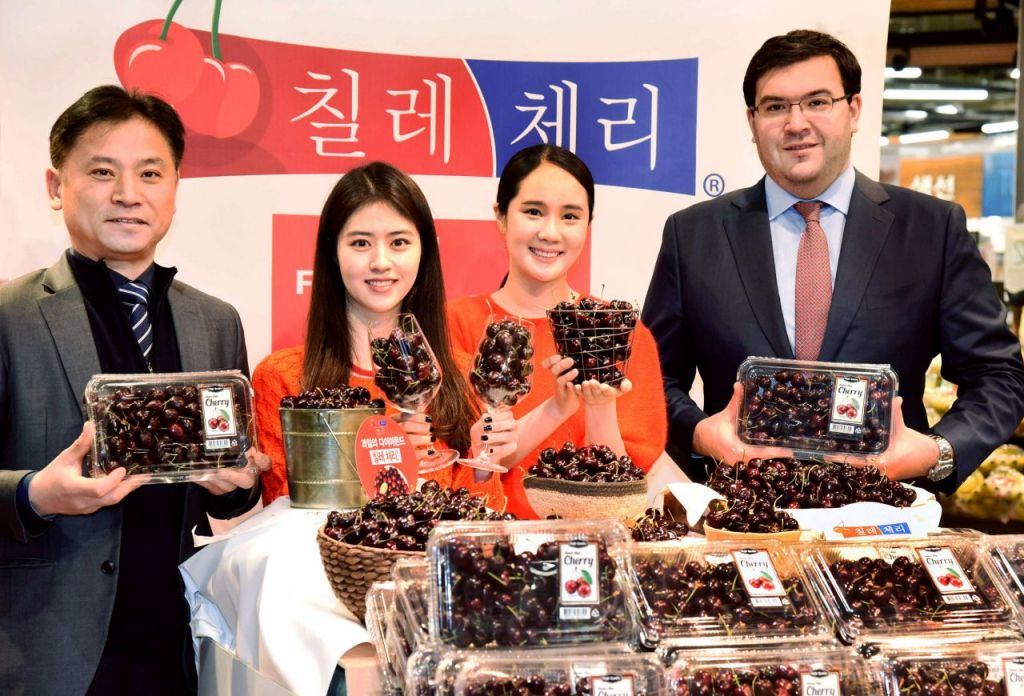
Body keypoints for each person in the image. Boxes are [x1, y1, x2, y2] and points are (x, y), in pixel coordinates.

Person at [642, 30, 1024, 490]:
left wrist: (935, 451)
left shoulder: (930, 229)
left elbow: (997, 375)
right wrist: (701, 433)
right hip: (738, 513)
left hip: (887, 514)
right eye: (775, 106)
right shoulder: (694, 234)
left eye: (817, 102)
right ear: (752, 121)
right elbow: (651, 375)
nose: (796, 123)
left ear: (854, 110)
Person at [0, 86, 269, 695]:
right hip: (44, 655)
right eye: (102, 172)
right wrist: (36, 495)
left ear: (174, 187)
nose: (128, 193)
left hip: (176, 649)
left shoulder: (214, 321)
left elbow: (227, 492)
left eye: (150, 173)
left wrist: (239, 484)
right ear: (55, 186)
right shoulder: (11, 315)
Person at [254, 162, 503, 508]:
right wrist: (383, 457)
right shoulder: (283, 379)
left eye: (399, 242)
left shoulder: (462, 378)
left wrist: (484, 464)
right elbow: (285, 510)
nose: (381, 262)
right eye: (360, 243)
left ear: (424, 251)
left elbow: (476, 521)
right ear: (333, 253)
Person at [448, 144, 668, 519]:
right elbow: (460, 469)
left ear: (588, 225)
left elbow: (621, 489)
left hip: (589, 544)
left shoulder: (620, 332)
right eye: (533, 212)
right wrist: (553, 410)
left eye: (569, 216)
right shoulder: (456, 323)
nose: (550, 233)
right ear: (501, 216)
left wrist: (599, 406)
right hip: (484, 540)